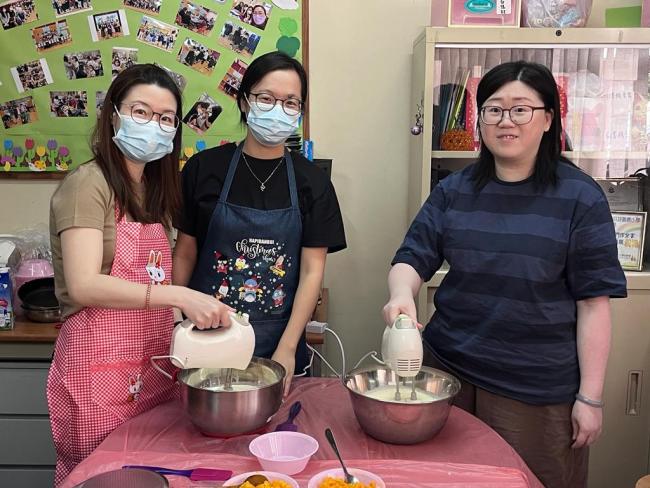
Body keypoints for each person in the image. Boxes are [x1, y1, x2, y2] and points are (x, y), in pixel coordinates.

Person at [382, 61, 626, 488]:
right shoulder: (454, 190)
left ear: (548, 119)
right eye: (493, 109)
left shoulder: (580, 197)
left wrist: (590, 397)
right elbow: (412, 256)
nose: (505, 121)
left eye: (520, 109)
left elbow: (593, 304)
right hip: (449, 375)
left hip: (534, 392)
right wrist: (401, 293)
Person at [47, 64, 233, 486]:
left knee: (153, 474)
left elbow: (150, 273)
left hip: (149, 367)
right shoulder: (88, 184)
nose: (154, 126)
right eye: (141, 112)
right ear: (113, 114)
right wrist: (179, 296)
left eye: (166, 118)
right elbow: (84, 284)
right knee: (105, 476)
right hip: (98, 369)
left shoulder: (152, 189)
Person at [174, 51, 346, 396]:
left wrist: (288, 347)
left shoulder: (313, 182)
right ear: (244, 101)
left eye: (291, 102)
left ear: (299, 112)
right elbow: (185, 253)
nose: (278, 109)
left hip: (279, 341)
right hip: (206, 340)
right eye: (266, 98)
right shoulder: (203, 169)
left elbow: (312, 271)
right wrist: (179, 320)